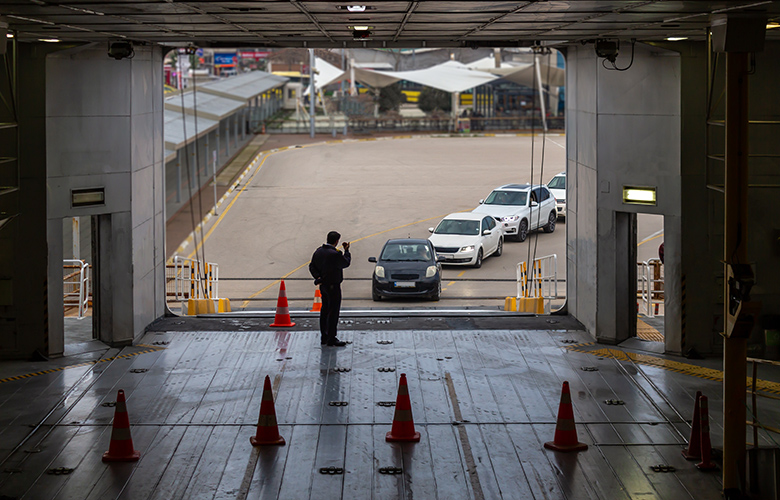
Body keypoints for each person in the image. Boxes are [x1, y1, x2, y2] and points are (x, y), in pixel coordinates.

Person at [309, 231, 351, 347]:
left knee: (325, 311)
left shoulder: (318, 252)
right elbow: (345, 263)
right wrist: (346, 251)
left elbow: (312, 266)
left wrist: (318, 277)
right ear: (337, 241)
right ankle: (331, 338)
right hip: (334, 286)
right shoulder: (334, 254)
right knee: (333, 312)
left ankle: (324, 337)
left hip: (323, 285)